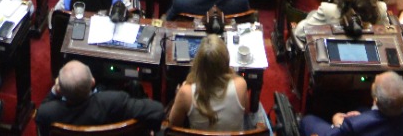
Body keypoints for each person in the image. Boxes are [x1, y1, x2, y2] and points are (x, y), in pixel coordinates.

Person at [36, 61, 166, 133]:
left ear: (61, 90)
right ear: (92, 82)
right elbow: (157, 110)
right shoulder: (114, 101)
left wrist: (54, 91)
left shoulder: (48, 114)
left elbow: (42, 112)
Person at [301, 69, 403, 136]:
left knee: (308, 120)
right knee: (360, 108)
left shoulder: (353, 125)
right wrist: (362, 116)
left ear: (376, 99)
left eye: (374, 83)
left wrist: (338, 124)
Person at [167, 34, 253, 132]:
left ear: (199, 63)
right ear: (225, 60)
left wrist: (179, 95)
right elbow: (246, 112)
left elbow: (173, 125)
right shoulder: (241, 84)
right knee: (258, 112)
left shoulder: (186, 93)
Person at [294, 0, 385, 46]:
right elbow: (387, 39)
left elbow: (299, 33)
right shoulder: (381, 9)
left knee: (312, 14)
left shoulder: (328, 11)